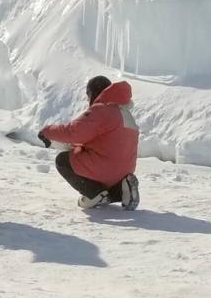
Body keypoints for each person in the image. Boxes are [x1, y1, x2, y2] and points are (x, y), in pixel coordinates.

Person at [38, 75, 140, 210]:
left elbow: (74, 133)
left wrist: (47, 132)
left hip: (105, 168)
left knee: (63, 160)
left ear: (93, 93)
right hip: (124, 172)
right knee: (100, 169)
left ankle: (95, 194)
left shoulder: (102, 109)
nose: (88, 99)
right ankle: (123, 190)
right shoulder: (125, 114)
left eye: (88, 94)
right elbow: (103, 143)